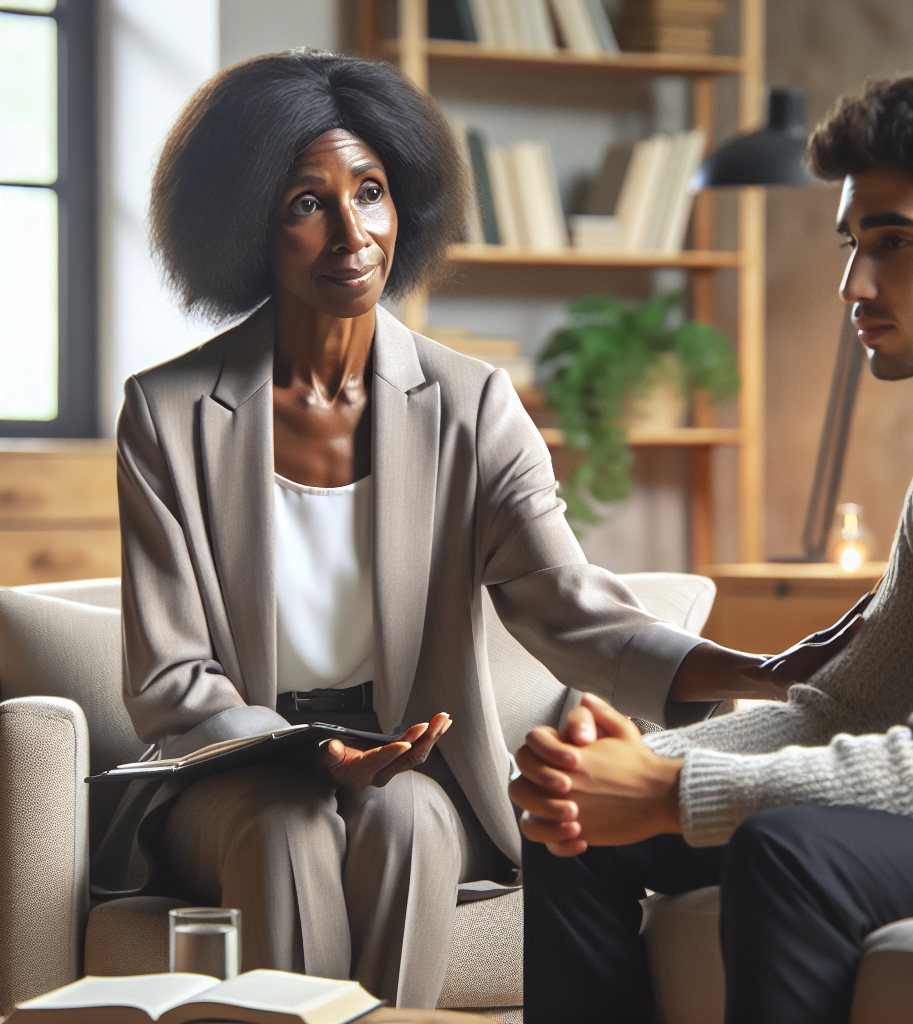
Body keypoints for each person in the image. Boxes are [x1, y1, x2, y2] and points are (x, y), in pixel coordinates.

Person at [92, 50, 795, 1009]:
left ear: (404, 205)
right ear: (246, 218)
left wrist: (764, 670)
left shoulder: (473, 405)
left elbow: (570, 606)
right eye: (307, 201)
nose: (352, 231)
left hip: (410, 761)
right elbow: (173, 677)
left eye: (371, 192)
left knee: (414, 820)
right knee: (290, 821)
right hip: (233, 775)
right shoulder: (167, 414)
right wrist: (305, 753)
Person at [512, 61, 913, 1024]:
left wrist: (671, 790)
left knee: (786, 849)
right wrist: (628, 770)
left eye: (895, 242)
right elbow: (842, 707)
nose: (852, 283)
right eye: (850, 243)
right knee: (572, 823)